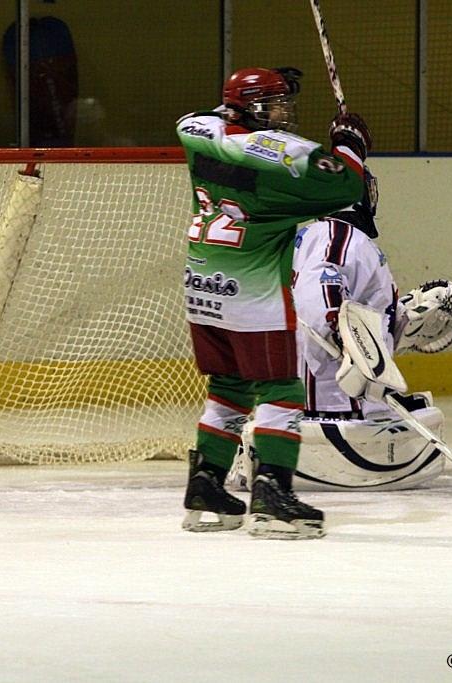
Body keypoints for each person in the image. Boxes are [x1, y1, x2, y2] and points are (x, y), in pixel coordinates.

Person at [176, 66, 370, 539]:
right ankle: (273, 497)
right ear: (251, 107)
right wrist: (350, 144)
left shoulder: (198, 130)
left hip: (203, 283)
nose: (284, 114)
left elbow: (210, 124)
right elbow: (346, 186)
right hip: (251, 292)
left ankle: (205, 489)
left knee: (229, 388)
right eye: (275, 104)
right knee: (282, 391)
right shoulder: (280, 156)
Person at [227, 168, 452, 491]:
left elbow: (356, 316)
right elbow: (320, 300)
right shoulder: (336, 235)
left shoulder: (335, 236)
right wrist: (346, 340)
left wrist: (405, 321)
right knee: (419, 418)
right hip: (335, 407)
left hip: (343, 401)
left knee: (423, 408)